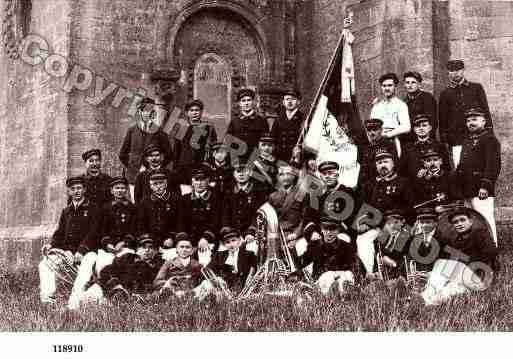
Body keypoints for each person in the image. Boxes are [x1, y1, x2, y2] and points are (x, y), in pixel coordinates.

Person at [38, 176, 102, 304]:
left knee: (86, 267)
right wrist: (51, 245)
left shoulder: (94, 209)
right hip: (68, 252)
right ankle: (47, 298)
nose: (76, 191)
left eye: (79, 188)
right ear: (69, 192)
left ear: (84, 189)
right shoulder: (66, 211)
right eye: (73, 189)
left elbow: (93, 234)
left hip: (88, 252)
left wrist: (81, 251)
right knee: (44, 264)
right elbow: (60, 233)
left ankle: (75, 301)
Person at [421, 207, 498, 305]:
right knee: (450, 287)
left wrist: (464, 260)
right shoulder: (456, 239)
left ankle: (429, 296)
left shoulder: (479, 233)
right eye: (456, 222)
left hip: (478, 274)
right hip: (461, 276)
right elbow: (440, 252)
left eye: (463, 220)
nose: (459, 223)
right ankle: (429, 298)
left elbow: (491, 252)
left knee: (444, 265)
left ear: (470, 221)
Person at [357, 148, 414, 275]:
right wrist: (364, 222)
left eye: (386, 161)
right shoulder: (370, 185)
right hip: (377, 225)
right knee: (362, 239)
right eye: (379, 163)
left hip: (399, 224)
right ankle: (371, 273)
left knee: (393, 233)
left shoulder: (403, 183)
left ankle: (394, 268)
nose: (382, 165)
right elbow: (364, 209)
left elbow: (410, 209)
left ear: (393, 163)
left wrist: (396, 218)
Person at [455, 108, 501, 245]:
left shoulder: (490, 140)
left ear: (483, 121)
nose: (470, 123)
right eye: (468, 120)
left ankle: (492, 249)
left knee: (486, 219)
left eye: (474, 119)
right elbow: (461, 166)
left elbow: (493, 165)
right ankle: (478, 251)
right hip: (467, 189)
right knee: (471, 222)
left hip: (481, 189)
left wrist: (485, 186)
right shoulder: (467, 141)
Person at [438, 60, 492, 168]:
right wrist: (445, 140)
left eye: (458, 70)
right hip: (456, 138)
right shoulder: (445, 93)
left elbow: (485, 110)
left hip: (477, 136)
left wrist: (489, 131)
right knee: (460, 169)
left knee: (480, 166)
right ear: (448, 73)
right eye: (452, 71)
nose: (455, 73)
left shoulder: (476, 88)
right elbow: (442, 118)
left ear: (463, 71)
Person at [119, 97, 172, 200]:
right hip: (134, 176)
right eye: (145, 111)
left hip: (155, 177)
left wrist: (157, 167)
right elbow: (122, 154)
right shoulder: (132, 130)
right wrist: (133, 166)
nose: (147, 114)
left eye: (150, 111)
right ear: (140, 112)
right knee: (137, 202)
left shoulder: (159, 131)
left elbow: (169, 154)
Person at [300, 216, 358, 296]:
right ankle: (336, 290)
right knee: (329, 276)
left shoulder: (346, 247)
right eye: (325, 229)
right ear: (321, 229)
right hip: (322, 279)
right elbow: (303, 264)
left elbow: (354, 267)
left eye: (332, 229)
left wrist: (339, 273)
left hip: (341, 276)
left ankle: (342, 289)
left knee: (347, 275)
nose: (328, 233)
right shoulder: (314, 245)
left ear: (338, 231)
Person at [195, 227, 257, 300]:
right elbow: (208, 270)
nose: (231, 244)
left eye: (233, 240)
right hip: (221, 289)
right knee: (206, 284)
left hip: (240, 290)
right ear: (224, 244)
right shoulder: (219, 256)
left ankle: (191, 296)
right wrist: (216, 279)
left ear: (239, 240)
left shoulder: (248, 255)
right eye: (227, 242)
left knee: (207, 287)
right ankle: (192, 296)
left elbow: (254, 270)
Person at [98, 233, 164, 300]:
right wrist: (116, 285)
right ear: (137, 249)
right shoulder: (127, 258)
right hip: (123, 293)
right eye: (143, 247)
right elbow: (106, 271)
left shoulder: (160, 264)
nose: (147, 250)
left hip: (146, 297)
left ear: (156, 250)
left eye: (151, 247)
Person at [222, 162, 270, 246]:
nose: (241, 174)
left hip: (251, 234)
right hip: (231, 234)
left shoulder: (258, 191)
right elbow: (225, 214)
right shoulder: (228, 191)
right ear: (234, 174)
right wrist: (229, 233)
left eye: (245, 171)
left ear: (251, 173)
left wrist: (251, 231)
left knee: (252, 249)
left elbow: (259, 214)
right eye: (238, 171)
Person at [178, 164, 222, 251]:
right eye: (196, 180)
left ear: (208, 180)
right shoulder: (184, 199)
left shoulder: (216, 199)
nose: (199, 183)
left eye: (203, 180)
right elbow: (181, 222)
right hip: (188, 241)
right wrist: (184, 240)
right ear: (192, 182)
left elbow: (216, 222)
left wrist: (206, 237)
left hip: (208, 240)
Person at [369, 73, 411, 157]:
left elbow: (406, 127)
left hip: (393, 141)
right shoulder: (377, 106)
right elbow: (370, 126)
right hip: (377, 141)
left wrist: (388, 135)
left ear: (395, 86)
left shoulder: (401, 105)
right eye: (384, 86)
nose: (387, 88)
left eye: (390, 85)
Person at [399, 114, 450, 182]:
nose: (421, 128)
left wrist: (433, 173)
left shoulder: (439, 146)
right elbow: (402, 171)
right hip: (414, 186)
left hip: (436, 183)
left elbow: (447, 169)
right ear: (414, 129)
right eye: (418, 126)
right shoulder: (408, 148)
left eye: (424, 125)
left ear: (430, 128)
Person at [137, 169, 180, 249]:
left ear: (166, 184)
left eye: (161, 183)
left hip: (170, 241)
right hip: (150, 240)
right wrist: (147, 239)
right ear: (150, 186)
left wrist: (172, 237)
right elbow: (141, 223)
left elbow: (179, 222)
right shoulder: (145, 202)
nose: (158, 186)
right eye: (155, 184)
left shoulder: (175, 199)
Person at [175, 99, 218, 180]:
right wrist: (176, 167)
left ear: (201, 112)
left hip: (201, 166)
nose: (194, 113)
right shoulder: (182, 128)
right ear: (187, 113)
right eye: (191, 110)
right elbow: (177, 149)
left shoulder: (208, 128)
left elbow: (213, 148)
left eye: (197, 110)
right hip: (184, 167)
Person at [225, 88, 269, 162]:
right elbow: (228, 141)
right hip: (238, 159)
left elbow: (266, 143)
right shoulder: (234, 121)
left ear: (253, 102)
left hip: (256, 160)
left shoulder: (261, 121)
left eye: (249, 100)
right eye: (243, 101)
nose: (246, 103)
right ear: (239, 103)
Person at [153, 233, 202, 297]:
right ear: (176, 249)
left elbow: (204, 280)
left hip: (191, 293)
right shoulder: (169, 263)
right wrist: (168, 282)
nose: (184, 250)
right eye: (181, 247)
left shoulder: (198, 265)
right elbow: (157, 282)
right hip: (173, 292)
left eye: (187, 247)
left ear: (192, 250)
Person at [357, 117, 397, 189]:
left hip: (385, 184)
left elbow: (395, 167)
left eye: (375, 130)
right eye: (369, 130)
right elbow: (363, 169)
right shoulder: (366, 148)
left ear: (381, 130)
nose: (372, 133)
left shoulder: (388, 145)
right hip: (370, 185)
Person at [270, 88, 304, 162]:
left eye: (293, 99)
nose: (289, 102)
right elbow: (272, 139)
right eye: (287, 99)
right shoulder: (278, 119)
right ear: (283, 102)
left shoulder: (303, 119)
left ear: (298, 102)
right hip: (279, 158)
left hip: (297, 159)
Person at [402, 71, 437, 142]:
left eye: (413, 82)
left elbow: (432, 121)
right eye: (407, 82)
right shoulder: (403, 102)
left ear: (419, 84)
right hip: (408, 140)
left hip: (425, 138)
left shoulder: (427, 98)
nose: (410, 85)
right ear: (404, 85)